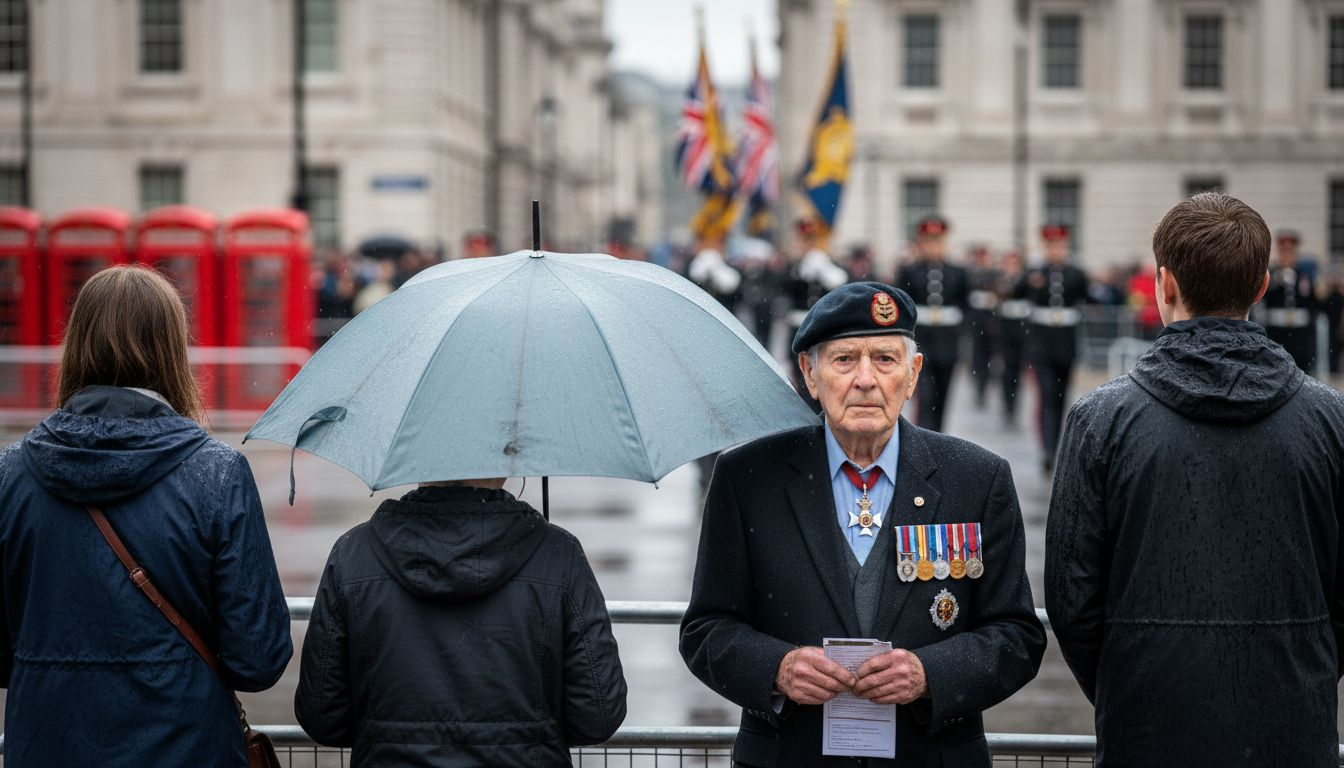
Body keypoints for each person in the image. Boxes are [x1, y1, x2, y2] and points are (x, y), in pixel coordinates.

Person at [680, 281, 1045, 768]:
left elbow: (1017, 634)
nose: (866, 379)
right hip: (792, 755)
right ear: (810, 374)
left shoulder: (977, 479)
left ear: (914, 374)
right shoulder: (747, 478)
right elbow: (706, 628)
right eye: (845, 360)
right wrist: (776, 669)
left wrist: (929, 674)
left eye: (886, 359)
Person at [1046, 192, 1344, 767]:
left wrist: (1129, 678)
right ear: (1261, 286)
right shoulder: (1328, 419)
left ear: (1164, 284)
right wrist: (1300, 667)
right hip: (1292, 726)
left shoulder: (1100, 418)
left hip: (1147, 726)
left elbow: (1071, 598)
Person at [0, 265, 293, 767]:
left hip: (45, 745)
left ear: (76, 345)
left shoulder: (10, 473)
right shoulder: (217, 473)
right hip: (187, 747)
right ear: (171, 349)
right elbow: (258, 658)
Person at [295, 475, 627, 766]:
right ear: (504, 463)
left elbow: (323, 717)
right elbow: (597, 716)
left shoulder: (353, 554)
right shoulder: (559, 553)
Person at [1015, 224, 1089, 472]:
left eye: (1061, 246)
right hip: (1042, 343)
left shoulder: (1075, 273)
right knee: (1047, 395)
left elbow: (1089, 296)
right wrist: (1028, 278)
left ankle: (1056, 444)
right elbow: (1015, 292)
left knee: (1061, 397)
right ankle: (1047, 450)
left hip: (1066, 342)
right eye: (1052, 246)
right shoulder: (1036, 272)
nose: (1057, 251)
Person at [897, 216, 968, 432]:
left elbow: (965, 305)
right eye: (928, 241)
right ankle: (926, 436)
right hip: (921, 340)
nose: (933, 246)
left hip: (948, 340)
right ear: (921, 242)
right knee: (926, 396)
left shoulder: (957, 272)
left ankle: (938, 437)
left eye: (938, 241)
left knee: (944, 396)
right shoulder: (909, 271)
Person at [1258, 228, 1318, 373]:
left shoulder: (1304, 275)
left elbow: (1311, 302)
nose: (1287, 254)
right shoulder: (1271, 275)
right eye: (1284, 250)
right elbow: (1264, 299)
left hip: (1300, 333)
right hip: (1277, 331)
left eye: (1290, 250)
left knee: (1302, 368)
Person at [994, 250, 1031, 425]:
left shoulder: (1026, 278)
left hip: (1021, 327)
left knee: (1018, 368)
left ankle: (1014, 404)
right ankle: (1007, 404)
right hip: (1006, 327)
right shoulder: (1001, 278)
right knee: (1007, 368)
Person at [964, 244, 1000, 408]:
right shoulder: (970, 275)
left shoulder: (993, 274)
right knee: (977, 358)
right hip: (976, 322)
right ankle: (979, 388)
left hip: (990, 322)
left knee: (990, 357)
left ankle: (985, 386)